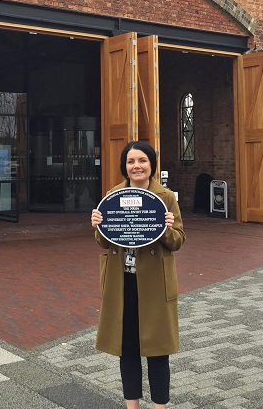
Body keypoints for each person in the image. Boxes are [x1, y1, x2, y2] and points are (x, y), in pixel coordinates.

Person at [90, 141, 185, 409]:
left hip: (154, 283)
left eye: (142, 160)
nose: (137, 166)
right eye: (131, 162)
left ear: (152, 165)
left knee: (158, 350)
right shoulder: (112, 196)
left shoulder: (165, 197)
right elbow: (104, 242)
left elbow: (178, 240)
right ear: (125, 167)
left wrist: (165, 228)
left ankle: (159, 406)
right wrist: (98, 226)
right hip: (123, 282)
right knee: (127, 348)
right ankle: (132, 405)